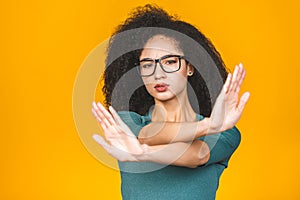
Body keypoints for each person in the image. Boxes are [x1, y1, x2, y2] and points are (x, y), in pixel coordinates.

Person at [91, 4, 250, 200]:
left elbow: (197, 155)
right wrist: (208, 125)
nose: (158, 74)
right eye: (147, 65)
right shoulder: (125, 123)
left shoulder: (226, 133)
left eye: (170, 62)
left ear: (190, 67)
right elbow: (148, 135)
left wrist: (144, 154)